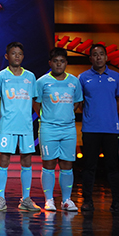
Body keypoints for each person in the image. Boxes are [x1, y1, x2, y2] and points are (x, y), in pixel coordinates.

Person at [79, 44, 119, 213]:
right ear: (90, 58)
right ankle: (87, 201)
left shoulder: (116, 76)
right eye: (95, 54)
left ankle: (117, 202)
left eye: (101, 54)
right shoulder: (83, 77)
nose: (98, 57)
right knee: (89, 166)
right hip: (90, 129)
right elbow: (79, 101)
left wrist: (110, 113)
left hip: (111, 129)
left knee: (113, 166)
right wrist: (91, 113)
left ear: (106, 57)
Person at [0, 41, 39, 212]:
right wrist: (2, 118)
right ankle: (1, 198)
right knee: (4, 159)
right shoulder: (1, 76)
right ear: (7, 56)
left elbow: (34, 100)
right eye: (13, 53)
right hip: (7, 125)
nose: (16, 56)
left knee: (26, 160)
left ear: (23, 56)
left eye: (19, 53)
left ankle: (25, 199)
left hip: (25, 126)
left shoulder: (30, 77)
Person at [34, 47, 83, 212]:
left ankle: (66, 200)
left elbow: (77, 102)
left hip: (68, 129)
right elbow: (36, 103)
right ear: (50, 63)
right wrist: (48, 116)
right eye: (55, 61)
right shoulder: (42, 81)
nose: (59, 64)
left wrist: (65, 115)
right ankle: (49, 200)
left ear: (66, 63)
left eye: (62, 61)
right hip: (48, 128)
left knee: (67, 164)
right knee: (48, 164)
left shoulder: (74, 81)